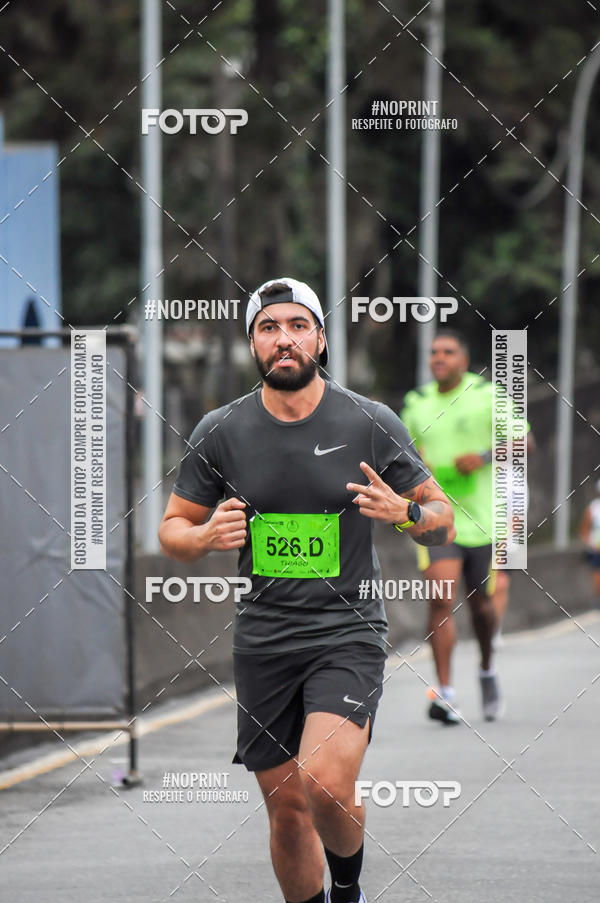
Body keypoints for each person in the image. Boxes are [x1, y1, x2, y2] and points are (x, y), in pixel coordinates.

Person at [159, 277, 455, 903]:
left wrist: (404, 511)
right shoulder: (221, 431)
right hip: (264, 641)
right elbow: (171, 533)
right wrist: (205, 535)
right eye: (269, 327)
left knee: (323, 783)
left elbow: (443, 519)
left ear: (320, 337)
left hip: (346, 635)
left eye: (297, 324)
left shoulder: (370, 421)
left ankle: (347, 890)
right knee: (288, 812)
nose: (284, 338)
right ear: (253, 344)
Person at [402, 330, 508, 724]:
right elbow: (403, 454)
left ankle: (486, 667)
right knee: (441, 600)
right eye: (433, 353)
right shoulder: (416, 404)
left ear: (463, 359)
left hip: (481, 520)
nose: (438, 358)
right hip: (434, 517)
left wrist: (482, 456)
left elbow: (524, 442)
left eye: (447, 352)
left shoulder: (487, 395)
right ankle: (445, 693)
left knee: (481, 606)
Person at [580, 479, 600, 605]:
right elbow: (584, 530)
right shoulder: (593, 508)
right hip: (596, 548)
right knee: (597, 573)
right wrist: (591, 544)